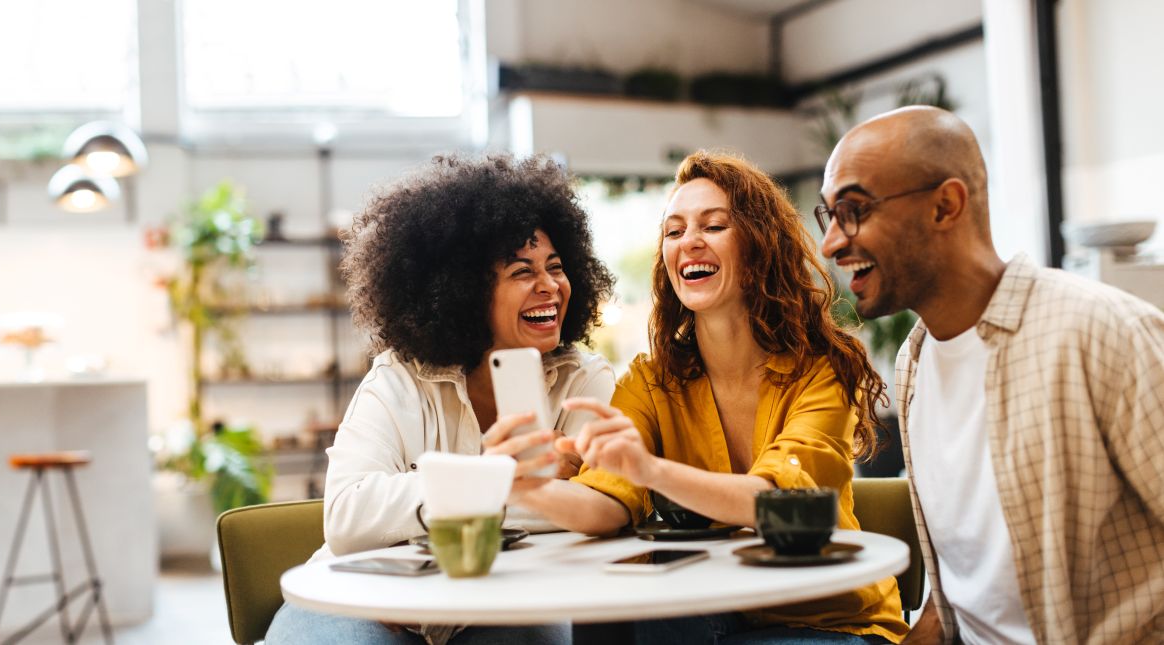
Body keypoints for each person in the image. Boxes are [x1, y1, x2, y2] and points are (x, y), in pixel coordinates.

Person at [515, 150, 908, 644]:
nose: (689, 243)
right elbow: (605, 504)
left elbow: (779, 503)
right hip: (712, 613)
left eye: (714, 226)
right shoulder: (651, 381)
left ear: (759, 246)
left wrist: (650, 470)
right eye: (674, 231)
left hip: (827, 621)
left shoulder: (820, 370)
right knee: (615, 621)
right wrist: (523, 485)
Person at [818, 106, 1164, 644]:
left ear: (945, 205)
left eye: (854, 209)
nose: (831, 243)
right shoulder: (915, 364)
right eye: (829, 216)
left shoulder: (1099, 332)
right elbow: (958, 598)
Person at [264, 153, 617, 645]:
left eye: (555, 267)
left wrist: (426, 500)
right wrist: (498, 481)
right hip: (371, 599)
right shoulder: (398, 380)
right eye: (521, 272)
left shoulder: (583, 382)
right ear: (467, 291)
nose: (550, 287)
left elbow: (607, 506)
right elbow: (346, 517)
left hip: (504, 604)